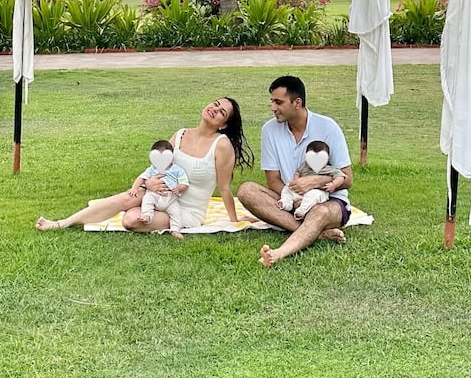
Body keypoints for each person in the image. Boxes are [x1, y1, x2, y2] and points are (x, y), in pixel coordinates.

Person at [35, 97, 253, 234]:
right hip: (159, 195)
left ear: (224, 125)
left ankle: (136, 209)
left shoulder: (221, 145)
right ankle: (62, 223)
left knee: (130, 220)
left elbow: (224, 188)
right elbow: (160, 166)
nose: (215, 109)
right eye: (215, 104)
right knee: (126, 198)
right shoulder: (180, 134)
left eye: (222, 112)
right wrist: (148, 183)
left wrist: (233, 221)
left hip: (185, 210)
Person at [237, 76, 352, 267]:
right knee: (246, 190)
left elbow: (347, 178)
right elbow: (273, 180)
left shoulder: (328, 127)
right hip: (289, 198)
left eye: (279, 102)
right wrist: (294, 198)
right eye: (272, 101)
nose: (273, 107)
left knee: (320, 212)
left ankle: (279, 253)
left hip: (328, 201)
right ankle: (317, 233)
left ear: (297, 103)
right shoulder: (269, 130)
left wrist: (314, 182)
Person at [132, 139, 189, 239]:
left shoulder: (177, 170)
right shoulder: (152, 169)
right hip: (154, 195)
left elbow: (184, 183)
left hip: (170, 198)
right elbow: (141, 177)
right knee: (147, 199)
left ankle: (175, 230)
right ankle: (147, 216)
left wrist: (179, 188)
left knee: (176, 213)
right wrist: (134, 188)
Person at [278, 140, 346, 220]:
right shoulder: (305, 165)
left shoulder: (329, 169)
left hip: (318, 191)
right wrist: (295, 181)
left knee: (313, 196)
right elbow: (298, 172)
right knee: (287, 188)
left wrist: (334, 185)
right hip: (301, 190)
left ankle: (301, 211)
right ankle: (286, 203)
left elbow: (341, 177)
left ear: (327, 159)